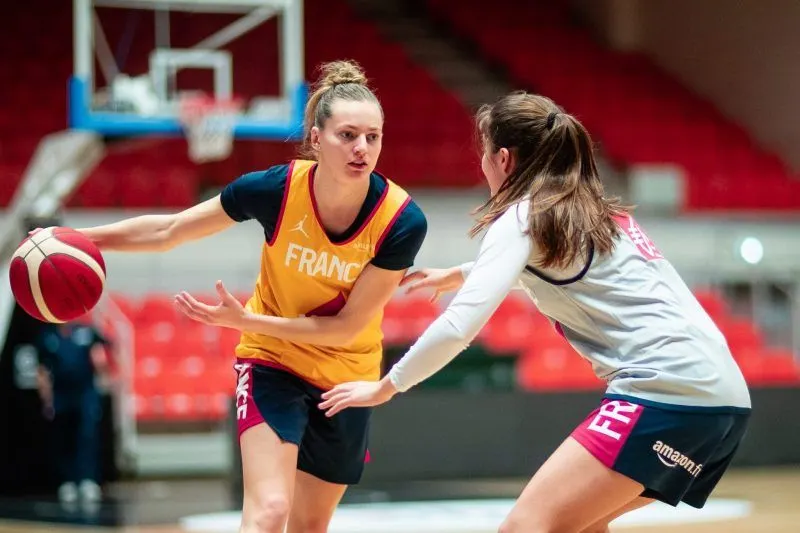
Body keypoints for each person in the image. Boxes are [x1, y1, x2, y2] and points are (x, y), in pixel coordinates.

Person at [319, 91, 752, 533]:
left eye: (484, 152)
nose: (482, 164)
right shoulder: (596, 212)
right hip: (724, 401)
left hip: (668, 393)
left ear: (503, 159)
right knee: (579, 525)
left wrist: (387, 386)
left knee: (524, 527)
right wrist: (463, 273)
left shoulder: (523, 215)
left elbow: (458, 327)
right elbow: (558, 264)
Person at [75, 59, 427, 533]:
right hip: (271, 363)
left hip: (346, 378)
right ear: (316, 138)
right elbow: (170, 230)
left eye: (372, 136)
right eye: (347, 135)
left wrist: (247, 321)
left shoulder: (401, 221)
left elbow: (346, 329)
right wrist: (80, 238)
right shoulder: (275, 190)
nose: (361, 148)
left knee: (309, 526)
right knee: (269, 511)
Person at [36, 319, 111, 504]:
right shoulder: (48, 336)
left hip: (85, 393)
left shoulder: (85, 331)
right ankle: (68, 481)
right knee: (64, 437)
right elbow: (43, 370)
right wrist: (46, 398)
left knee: (87, 436)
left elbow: (103, 350)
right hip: (61, 394)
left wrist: (103, 372)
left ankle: (88, 479)